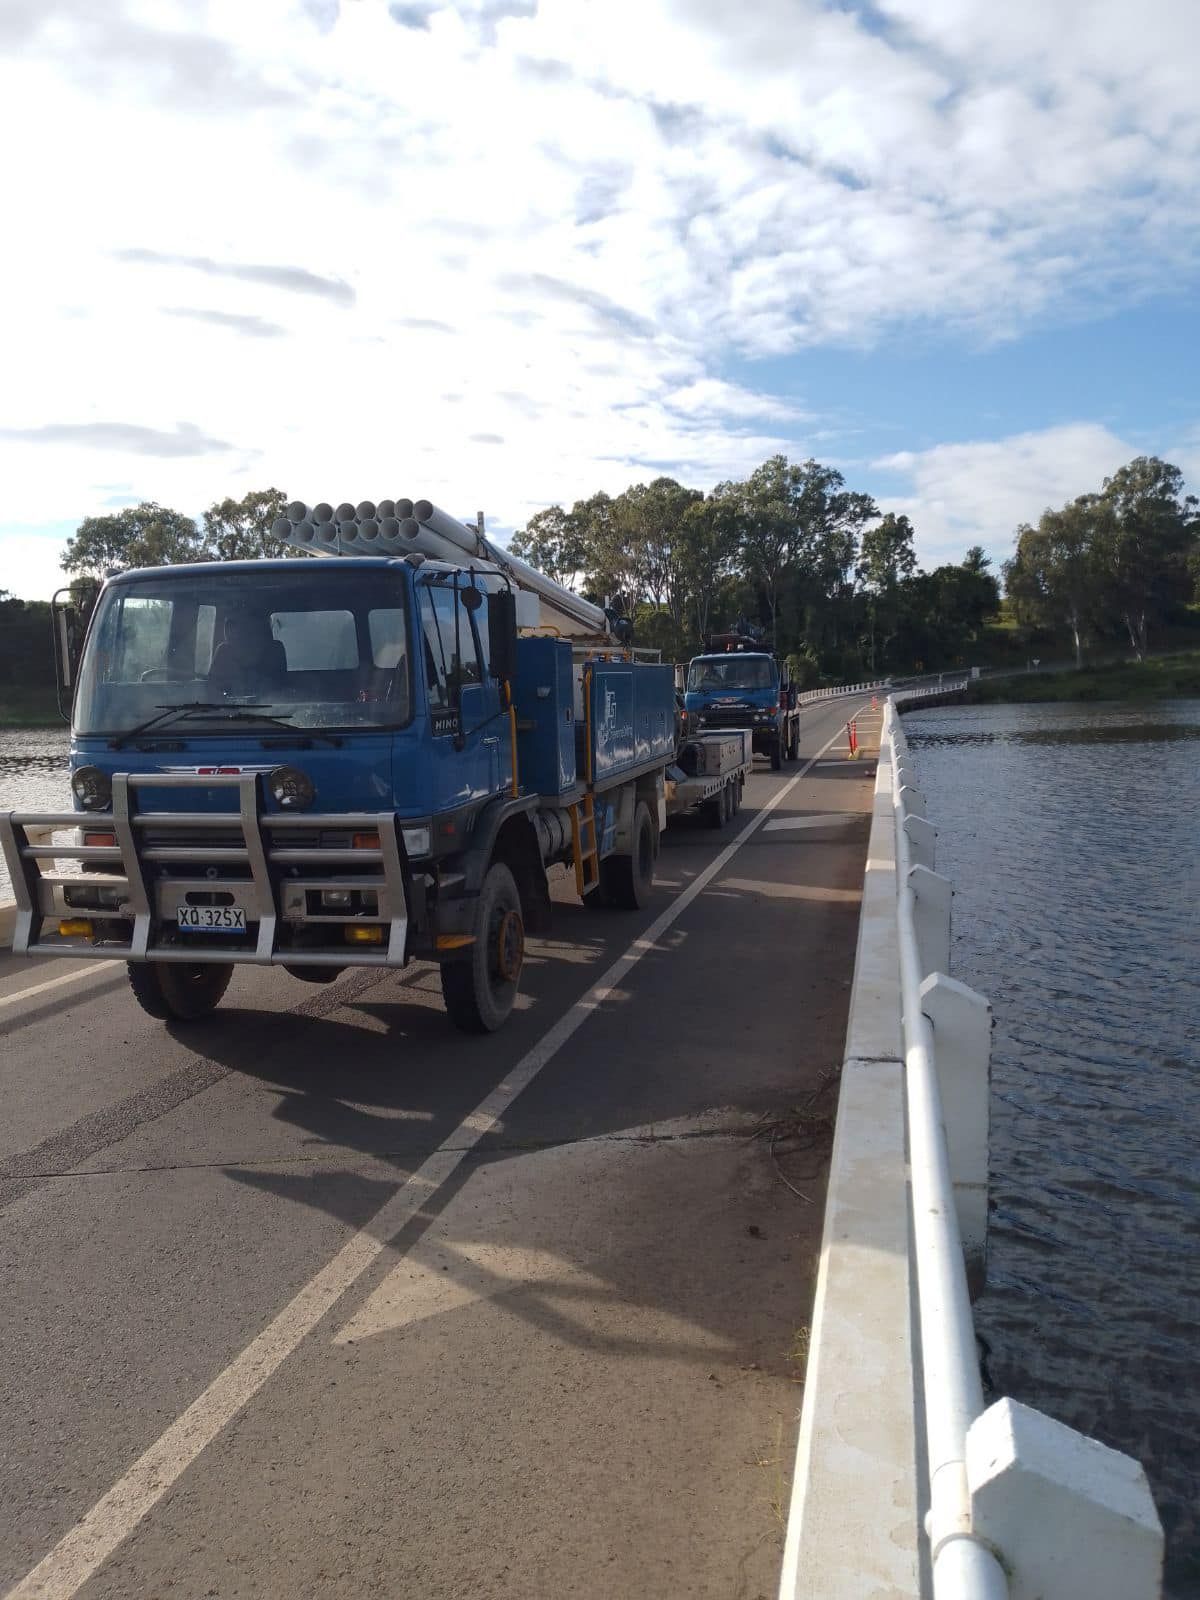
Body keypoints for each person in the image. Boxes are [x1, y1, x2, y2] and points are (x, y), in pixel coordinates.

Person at [207, 611, 287, 695]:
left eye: (253, 630)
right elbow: (211, 691)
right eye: (232, 629)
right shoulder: (224, 653)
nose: (246, 635)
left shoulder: (273, 655)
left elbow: (282, 689)